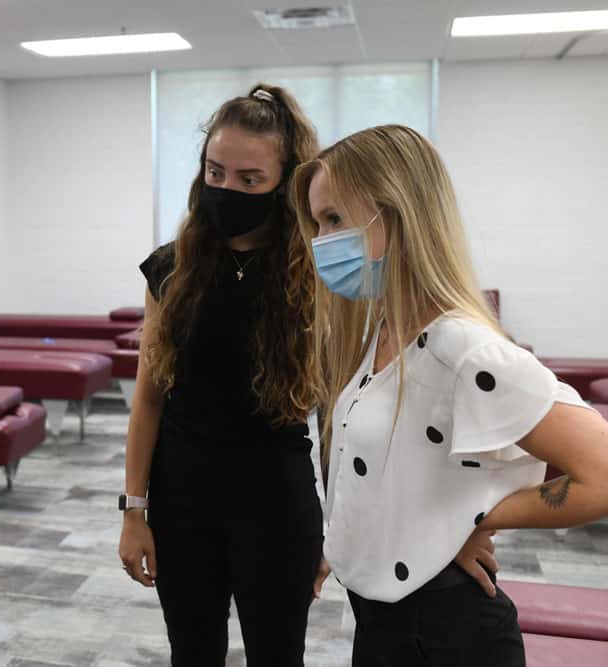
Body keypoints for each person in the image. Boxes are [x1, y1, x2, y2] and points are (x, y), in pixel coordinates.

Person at [292, 124, 608, 666]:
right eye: (318, 222)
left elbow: (601, 473)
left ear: (395, 212)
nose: (321, 241)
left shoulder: (462, 347)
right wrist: (345, 544)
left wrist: (472, 521)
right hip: (382, 618)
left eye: (335, 219)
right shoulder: (382, 336)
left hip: (446, 633)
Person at [117, 85, 324, 665]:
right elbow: (149, 401)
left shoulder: (314, 274)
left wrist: (341, 529)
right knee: (193, 655)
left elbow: (339, 414)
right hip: (183, 501)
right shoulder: (170, 268)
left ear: (287, 183)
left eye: (250, 179)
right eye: (216, 172)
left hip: (278, 503)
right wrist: (134, 511)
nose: (227, 189)